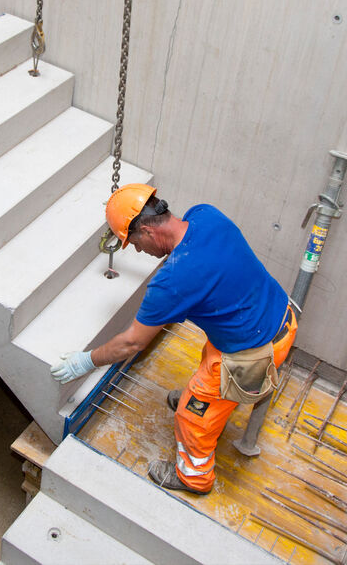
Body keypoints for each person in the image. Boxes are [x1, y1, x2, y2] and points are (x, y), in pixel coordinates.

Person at [50, 184, 296, 495]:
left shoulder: (173, 281)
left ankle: (194, 477)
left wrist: (85, 361)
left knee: (192, 419)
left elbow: (131, 343)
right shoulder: (205, 215)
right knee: (212, 354)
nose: (138, 251)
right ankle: (211, 395)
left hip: (255, 353)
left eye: (135, 243)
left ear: (148, 232)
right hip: (279, 314)